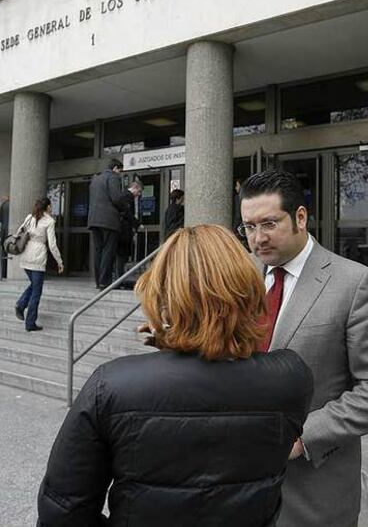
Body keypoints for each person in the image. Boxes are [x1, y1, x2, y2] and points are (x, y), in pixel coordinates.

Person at [37, 224, 313, 527]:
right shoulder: (290, 378)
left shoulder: (112, 386)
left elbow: (63, 512)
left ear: (163, 295)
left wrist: (174, 343)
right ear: (247, 289)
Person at [239, 169, 368, 527]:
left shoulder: (354, 283)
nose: (258, 239)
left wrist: (303, 438)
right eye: (249, 227)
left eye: (269, 223)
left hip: (314, 495)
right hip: (240, 491)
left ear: (301, 217)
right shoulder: (242, 277)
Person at [15, 197, 64, 332]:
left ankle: (21, 304)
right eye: (51, 205)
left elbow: (19, 232)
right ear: (47, 207)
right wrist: (59, 261)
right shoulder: (49, 221)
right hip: (38, 257)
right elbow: (52, 245)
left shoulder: (30, 217)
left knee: (34, 285)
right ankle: (30, 322)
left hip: (26, 256)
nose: (51, 207)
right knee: (37, 291)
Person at [88, 158, 123, 289]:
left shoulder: (96, 179)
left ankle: (98, 281)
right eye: (120, 170)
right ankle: (105, 281)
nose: (120, 173)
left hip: (94, 220)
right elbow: (116, 198)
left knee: (98, 251)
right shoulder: (113, 177)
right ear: (115, 168)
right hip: (109, 221)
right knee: (108, 251)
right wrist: (124, 207)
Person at [115, 181, 143, 280]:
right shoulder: (127, 197)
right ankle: (120, 278)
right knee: (122, 255)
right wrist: (137, 224)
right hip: (123, 230)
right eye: (138, 192)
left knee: (121, 255)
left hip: (122, 229)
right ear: (134, 188)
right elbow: (128, 213)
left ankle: (120, 277)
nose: (138, 195)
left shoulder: (124, 196)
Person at [0, 195, 9, 278]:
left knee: (4, 253)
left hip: (4, 232)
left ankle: (3, 274)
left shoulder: (4, 205)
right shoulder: (7, 205)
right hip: (10, 234)